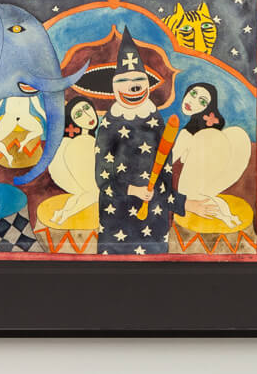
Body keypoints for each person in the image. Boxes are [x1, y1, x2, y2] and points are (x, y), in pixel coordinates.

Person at [72, 29, 183, 256]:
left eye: (139, 81)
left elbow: (165, 176)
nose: (133, 87)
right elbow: (102, 178)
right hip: (117, 218)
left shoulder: (155, 119)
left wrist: (182, 203)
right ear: (114, 87)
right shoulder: (109, 124)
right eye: (124, 81)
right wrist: (133, 190)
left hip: (154, 220)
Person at [171, 82, 253, 230]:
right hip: (198, 190)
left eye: (202, 101)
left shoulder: (189, 134)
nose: (192, 102)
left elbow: (169, 161)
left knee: (235, 134)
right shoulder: (194, 133)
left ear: (207, 108)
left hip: (191, 190)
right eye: (193, 94)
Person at [41, 94, 101, 228]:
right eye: (79, 114)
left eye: (87, 108)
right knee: (95, 193)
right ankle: (66, 214)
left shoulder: (84, 138)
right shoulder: (81, 141)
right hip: (78, 178)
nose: (87, 115)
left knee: (82, 194)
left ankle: (60, 213)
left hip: (78, 180)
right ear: (72, 121)